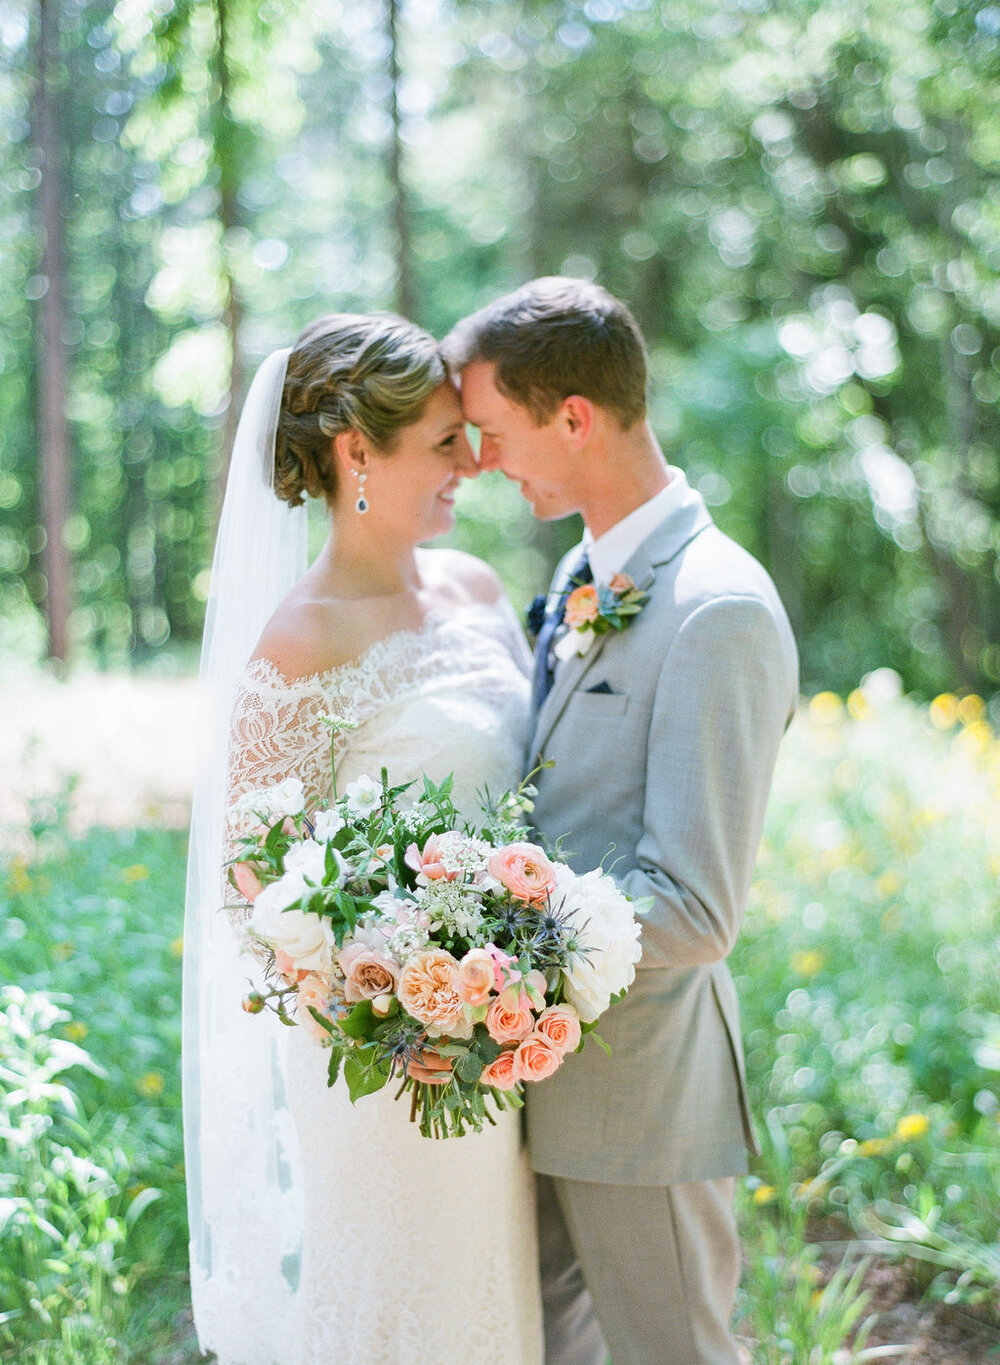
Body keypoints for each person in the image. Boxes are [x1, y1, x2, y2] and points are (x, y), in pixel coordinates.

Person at [444, 277, 799, 1365]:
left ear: (575, 418)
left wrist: (486, 960)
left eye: (494, 431)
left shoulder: (716, 607)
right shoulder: (577, 571)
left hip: (642, 1104)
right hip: (541, 1088)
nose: (483, 460)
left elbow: (693, 908)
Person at [182, 313, 544, 1365]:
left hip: (505, 1038)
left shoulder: (476, 590)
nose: (471, 462)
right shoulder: (302, 641)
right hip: (388, 1062)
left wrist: (507, 989)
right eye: (442, 441)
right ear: (356, 455)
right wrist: (394, 1004)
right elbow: (255, 881)